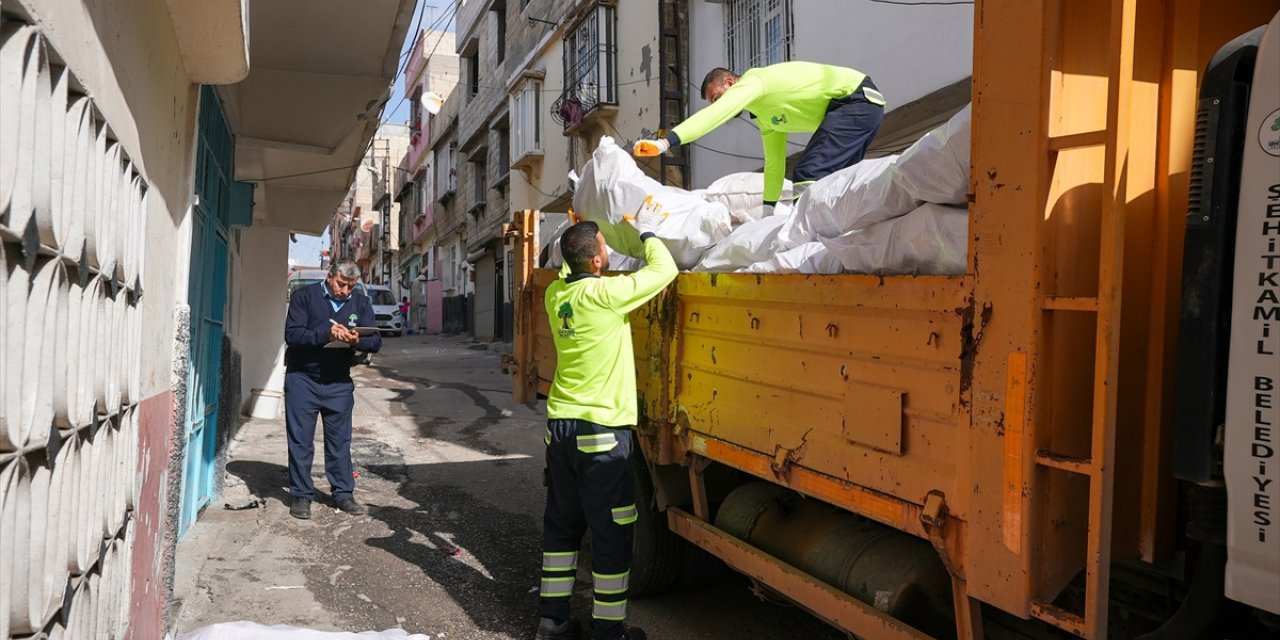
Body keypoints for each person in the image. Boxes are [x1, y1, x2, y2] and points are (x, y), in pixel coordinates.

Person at [535, 198, 676, 640]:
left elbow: (566, 267)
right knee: (613, 534)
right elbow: (664, 271)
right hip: (600, 432)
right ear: (597, 260)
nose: (609, 253)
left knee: (561, 526)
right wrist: (648, 232)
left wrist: (580, 232)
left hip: (560, 430)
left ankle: (552, 623)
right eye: (604, 249)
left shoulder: (556, 295)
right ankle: (609, 631)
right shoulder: (606, 295)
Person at [634, 61, 886, 213]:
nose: (718, 104)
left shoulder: (755, 81)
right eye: (713, 102)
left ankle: (810, 234)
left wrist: (665, 142)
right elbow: (774, 164)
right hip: (861, 110)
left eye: (717, 97)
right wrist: (768, 211)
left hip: (857, 100)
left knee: (808, 173)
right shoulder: (766, 118)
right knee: (836, 181)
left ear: (731, 82)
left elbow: (715, 117)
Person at [283, 260, 382, 519]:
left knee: (340, 442)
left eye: (350, 286)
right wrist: (327, 334)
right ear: (330, 277)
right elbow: (292, 335)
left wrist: (357, 338)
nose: (345, 291)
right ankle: (301, 495)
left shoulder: (360, 302)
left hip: (338, 381)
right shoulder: (304, 297)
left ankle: (343, 493)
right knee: (301, 440)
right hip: (303, 378)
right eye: (341, 284)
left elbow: (376, 340)